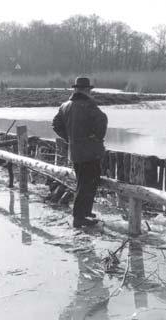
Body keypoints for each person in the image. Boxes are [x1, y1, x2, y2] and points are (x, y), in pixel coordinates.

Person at [52, 77, 108, 228]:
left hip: (75, 152)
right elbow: (102, 120)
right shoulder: (89, 105)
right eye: (89, 90)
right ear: (86, 90)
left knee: (84, 182)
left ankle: (86, 213)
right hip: (90, 152)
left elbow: (56, 125)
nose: (90, 93)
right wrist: (96, 137)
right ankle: (79, 217)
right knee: (87, 185)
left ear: (75, 89)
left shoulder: (65, 106)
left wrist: (69, 138)